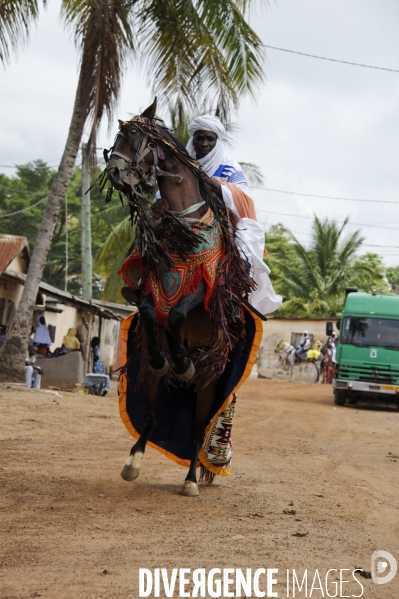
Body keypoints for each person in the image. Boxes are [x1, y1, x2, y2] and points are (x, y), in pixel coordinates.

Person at [184, 115, 282, 316]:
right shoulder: (182, 164)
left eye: (209, 139)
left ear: (217, 140)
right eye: (200, 138)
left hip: (223, 223)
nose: (204, 143)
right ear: (193, 138)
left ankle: (235, 299)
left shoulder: (230, 167)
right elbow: (164, 191)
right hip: (183, 221)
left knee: (244, 255)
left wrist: (209, 182)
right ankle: (141, 285)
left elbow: (242, 198)